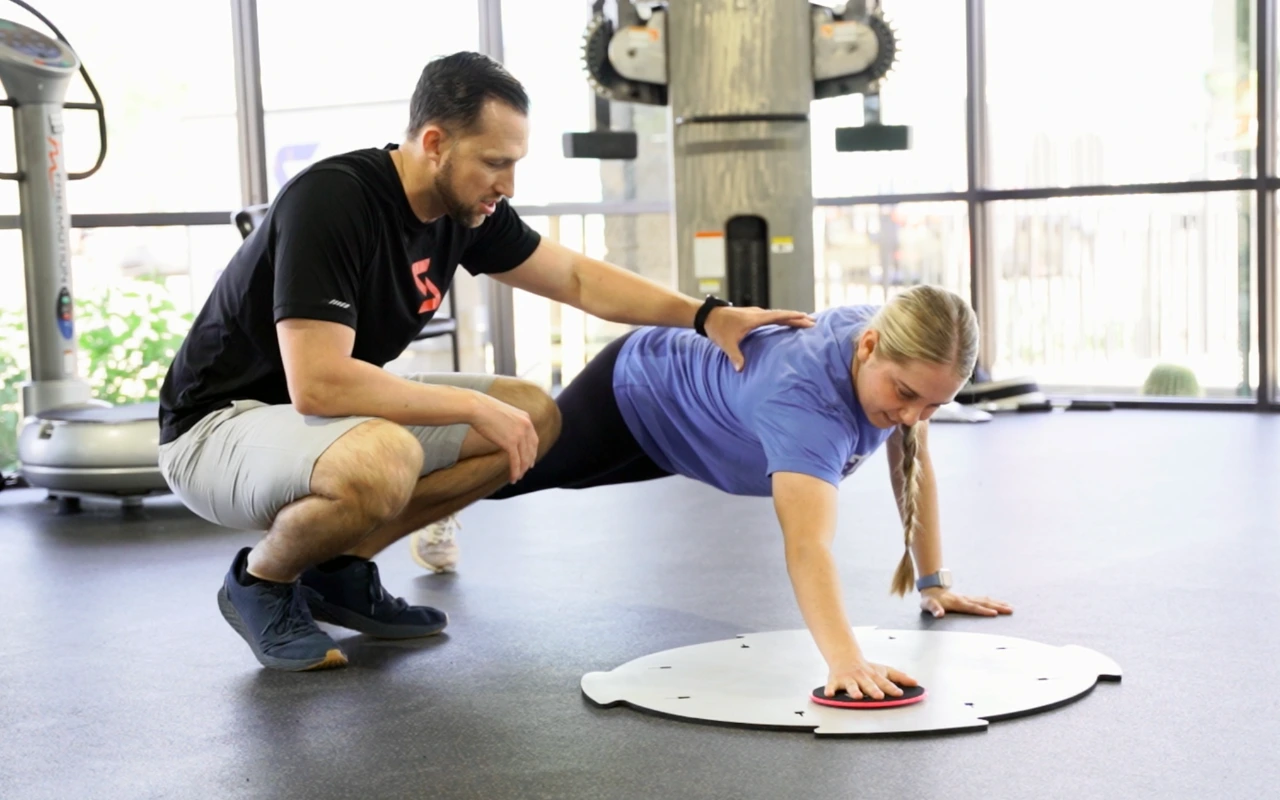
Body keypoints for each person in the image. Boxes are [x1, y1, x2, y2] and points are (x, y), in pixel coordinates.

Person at [156, 51, 811, 673]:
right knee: (385, 457)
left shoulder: (463, 211)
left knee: (533, 412)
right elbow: (319, 384)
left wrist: (708, 315)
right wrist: (471, 404)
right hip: (216, 425)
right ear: (435, 142)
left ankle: (341, 569)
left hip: (313, 420)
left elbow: (578, 279)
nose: (508, 183)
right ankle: (262, 581)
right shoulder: (333, 200)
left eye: (515, 162)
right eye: (495, 161)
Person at [414, 284, 1014, 702]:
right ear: (868, 347)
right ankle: (403, 458)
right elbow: (808, 546)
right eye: (906, 394)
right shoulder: (804, 405)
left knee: (510, 475)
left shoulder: (897, 353)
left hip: (686, 439)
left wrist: (936, 584)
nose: (913, 416)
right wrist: (845, 660)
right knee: (505, 474)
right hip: (637, 391)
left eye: (934, 404)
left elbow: (913, 466)